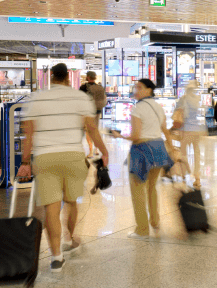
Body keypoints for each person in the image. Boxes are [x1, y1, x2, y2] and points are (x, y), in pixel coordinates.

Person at [16, 63, 107, 270]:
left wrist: (25, 162)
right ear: (67, 77)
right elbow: (91, 128)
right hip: (73, 155)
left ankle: (56, 257)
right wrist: (104, 151)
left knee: (51, 207)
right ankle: (71, 239)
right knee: (71, 201)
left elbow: (28, 134)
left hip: (45, 157)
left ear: (51, 78)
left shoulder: (37, 98)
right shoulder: (80, 98)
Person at [115, 79, 172, 238]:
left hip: (142, 152)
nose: (135, 90)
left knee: (138, 191)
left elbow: (136, 136)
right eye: (135, 87)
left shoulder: (137, 108)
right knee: (152, 188)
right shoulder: (158, 107)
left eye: (139, 87)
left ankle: (142, 230)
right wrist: (172, 149)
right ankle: (155, 222)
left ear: (149, 90)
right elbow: (165, 131)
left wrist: (119, 135)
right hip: (159, 149)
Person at [172, 81, 204, 187]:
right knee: (197, 155)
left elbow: (176, 114)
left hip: (185, 130)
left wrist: (172, 128)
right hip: (196, 130)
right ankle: (197, 178)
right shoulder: (197, 99)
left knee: (183, 154)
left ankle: (185, 176)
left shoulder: (183, 99)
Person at [78, 71, 107, 152]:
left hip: (88, 111)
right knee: (95, 129)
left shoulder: (83, 87)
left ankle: (90, 151)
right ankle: (96, 149)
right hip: (98, 110)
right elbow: (104, 99)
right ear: (95, 77)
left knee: (88, 130)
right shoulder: (100, 87)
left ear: (87, 77)